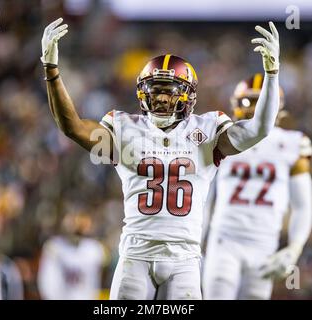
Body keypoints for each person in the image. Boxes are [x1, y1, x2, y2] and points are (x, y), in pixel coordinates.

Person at [41, 18, 281, 300]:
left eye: (170, 90)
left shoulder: (207, 129)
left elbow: (259, 129)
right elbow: (73, 127)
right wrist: (51, 70)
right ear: (143, 92)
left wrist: (272, 74)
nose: (161, 98)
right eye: (155, 89)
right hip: (135, 255)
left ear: (188, 95)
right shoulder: (124, 127)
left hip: (185, 259)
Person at [202, 74, 312, 299]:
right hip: (225, 238)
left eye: (260, 101)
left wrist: (295, 248)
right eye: (248, 101)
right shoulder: (222, 139)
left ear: (276, 106)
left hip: (264, 242)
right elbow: (204, 199)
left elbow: (302, 205)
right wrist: (196, 241)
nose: (255, 109)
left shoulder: (292, 144)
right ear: (235, 105)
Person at [38, 212, 106, 300]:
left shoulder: (94, 248)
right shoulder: (54, 246)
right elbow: (47, 282)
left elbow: (101, 276)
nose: (75, 225)